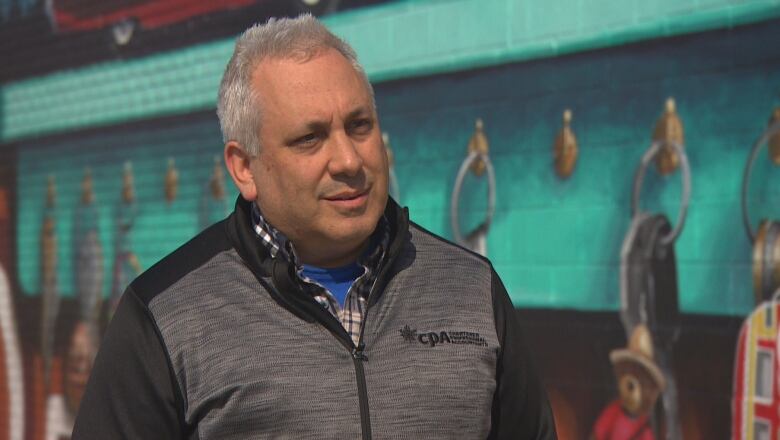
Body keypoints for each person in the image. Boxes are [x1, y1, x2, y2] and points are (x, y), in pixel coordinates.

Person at [72, 14, 556, 439]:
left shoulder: (471, 289)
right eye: (310, 138)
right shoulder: (164, 315)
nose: (348, 159)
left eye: (359, 125)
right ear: (244, 168)